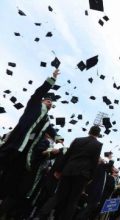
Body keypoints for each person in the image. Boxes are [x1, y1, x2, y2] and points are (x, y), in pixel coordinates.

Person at [0, 69, 62, 218]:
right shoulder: (34, 105)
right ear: (42, 101)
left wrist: (59, 139)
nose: (49, 103)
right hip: (14, 144)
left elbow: (52, 131)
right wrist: (52, 79)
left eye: (51, 104)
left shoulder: (46, 121)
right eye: (48, 101)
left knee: (11, 179)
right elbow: (40, 92)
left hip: (24, 152)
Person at [39, 125, 103, 220]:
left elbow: (67, 156)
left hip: (68, 171)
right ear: (98, 134)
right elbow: (94, 163)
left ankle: (42, 214)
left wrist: (59, 170)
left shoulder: (77, 140)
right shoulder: (98, 145)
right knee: (73, 201)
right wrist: (90, 177)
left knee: (58, 196)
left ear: (89, 131)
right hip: (82, 175)